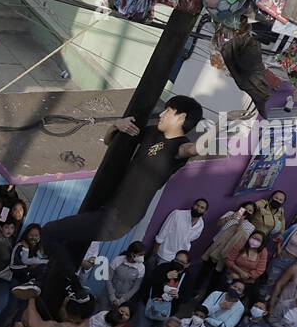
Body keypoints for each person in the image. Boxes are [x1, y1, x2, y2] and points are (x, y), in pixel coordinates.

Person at [37, 97, 205, 286]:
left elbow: (197, 148)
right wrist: (117, 126)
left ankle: (74, 287)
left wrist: (223, 124)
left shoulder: (179, 147)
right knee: (62, 241)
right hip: (106, 207)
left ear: (181, 117)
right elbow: (111, 143)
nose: (162, 114)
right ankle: (57, 284)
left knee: (50, 231)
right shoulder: (150, 133)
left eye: (168, 111)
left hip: (119, 218)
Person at [152, 199, 207, 273]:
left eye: (202, 208)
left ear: (205, 212)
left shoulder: (200, 224)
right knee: (157, 276)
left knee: (169, 282)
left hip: (180, 261)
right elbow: (163, 233)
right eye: (197, 205)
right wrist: (155, 253)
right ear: (193, 205)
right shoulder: (178, 215)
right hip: (165, 255)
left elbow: (191, 239)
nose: (198, 208)